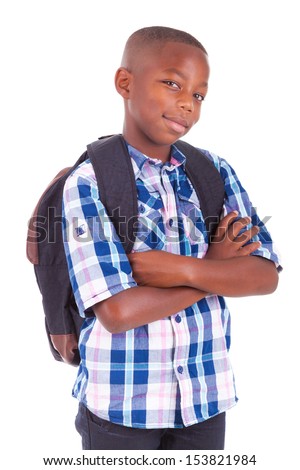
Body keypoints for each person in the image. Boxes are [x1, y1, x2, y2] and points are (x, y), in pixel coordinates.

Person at [62, 26, 281, 450]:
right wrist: (217, 269)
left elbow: (264, 276)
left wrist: (183, 268)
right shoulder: (89, 183)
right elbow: (118, 313)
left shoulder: (214, 171)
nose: (187, 103)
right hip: (120, 407)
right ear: (125, 82)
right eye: (172, 83)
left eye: (199, 95)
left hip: (205, 400)